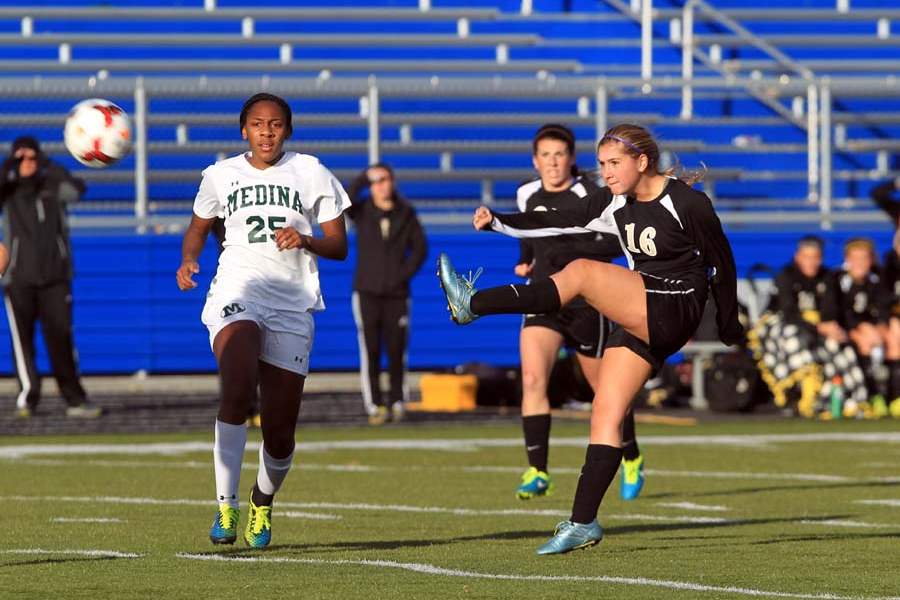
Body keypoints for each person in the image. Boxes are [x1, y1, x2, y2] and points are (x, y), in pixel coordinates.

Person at [438, 123, 742, 555]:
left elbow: (721, 262)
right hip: (643, 309)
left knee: (582, 272)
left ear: (643, 161)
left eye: (615, 163)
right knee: (606, 411)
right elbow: (557, 219)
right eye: (601, 164)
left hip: (676, 304)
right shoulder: (613, 199)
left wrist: (728, 324)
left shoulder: (687, 202)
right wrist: (499, 223)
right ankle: (583, 522)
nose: (606, 172)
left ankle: (474, 302)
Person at [176, 92, 349, 548]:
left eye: (275, 124)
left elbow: (339, 245)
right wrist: (189, 260)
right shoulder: (220, 175)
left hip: (292, 302)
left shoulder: (310, 171)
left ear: (287, 130)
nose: (266, 132)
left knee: (279, 430)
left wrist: (306, 239)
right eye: (257, 124)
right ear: (244, 130)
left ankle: (262, 500)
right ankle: (225, 505)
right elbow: (197, 229)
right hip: (237, 291)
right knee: (236, 382)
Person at [507, 124, 644, 502]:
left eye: (559, 154)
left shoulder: (590, 193)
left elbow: (615, 240)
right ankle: (538, 471)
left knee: (608, 392)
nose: (552, 162)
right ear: (535, 161)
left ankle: (631, 455)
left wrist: (570, 251)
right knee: (533, 378)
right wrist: (526, 260)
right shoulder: (526, 193)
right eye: (545, 155)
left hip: (586, 303)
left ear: (571, 159)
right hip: (544, 298)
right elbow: (530, 233)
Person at [0, 136, 99, 419]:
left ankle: (74, 398)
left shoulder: (52, 185)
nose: (27, 163)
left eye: (32, 158)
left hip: (55, 276)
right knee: (23, 342)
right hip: (18, 278)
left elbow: (77, 190)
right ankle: (27, 398)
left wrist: (47, 164)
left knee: (61, 338)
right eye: (21, 158)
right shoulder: (8, 190)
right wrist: (9, 166)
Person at [749, 236, 867, 417]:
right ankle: (796, 397)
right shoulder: (786, 275)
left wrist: (830, 327)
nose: (811, 262)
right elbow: (788, 313)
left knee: (838, 345)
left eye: (816, 257)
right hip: (783, 327)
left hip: (817, 327)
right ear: (798, 257)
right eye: (807, 257)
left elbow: (830, 309)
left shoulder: (827, 277)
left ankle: (847, 399)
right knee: (795, 338)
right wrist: (818, 327)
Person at [346, 162, 427, 425]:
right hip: (366, 292)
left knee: (396, 350)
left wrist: (401, 275)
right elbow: (344, 202)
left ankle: (397, 400)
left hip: (397, 294)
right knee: (370, 350)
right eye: (376, 181)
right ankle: (375, 405)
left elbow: (420, 249)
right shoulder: (362, 210)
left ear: (393, 182)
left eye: (385, 180)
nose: (381, 186)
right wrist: (363, 177)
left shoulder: (406, 212)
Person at [835, 238, 893, 417]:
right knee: (867, 343)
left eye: (865, 258)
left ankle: (894, 396)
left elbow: (883, 307)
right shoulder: (837, 280)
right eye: (856, 258)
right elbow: (837, 312)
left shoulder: (877, 278)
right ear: (847, 260)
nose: (860, 263)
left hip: (871, 328)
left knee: (894, 335)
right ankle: (871, 396)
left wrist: (882, 325)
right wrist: (856, 329)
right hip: (846, 330)